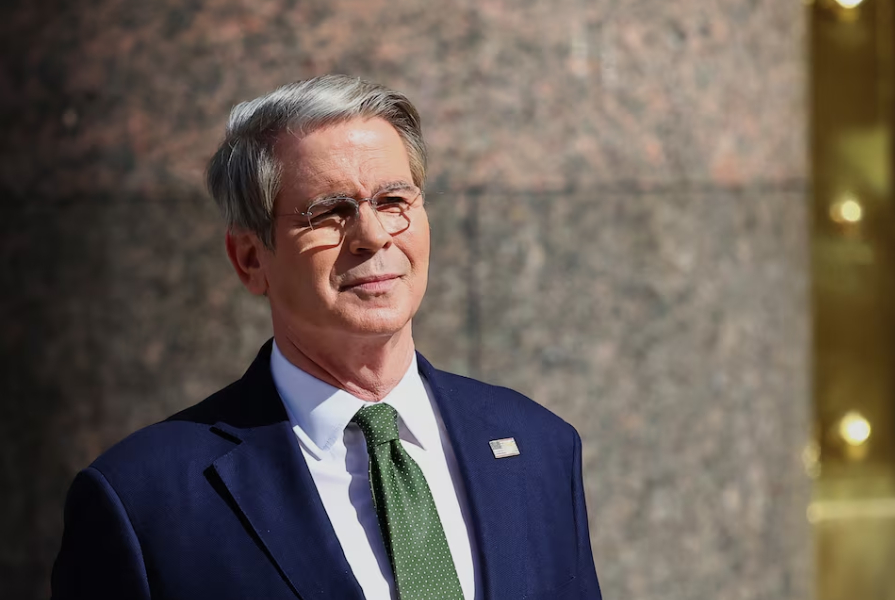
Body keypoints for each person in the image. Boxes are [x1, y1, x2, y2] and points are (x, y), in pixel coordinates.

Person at [51, 74, 602, 600]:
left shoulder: (539, 446)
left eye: (393, 202)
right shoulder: (145, 498)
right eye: (331, 213)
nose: (373, 235)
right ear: (250, 259)